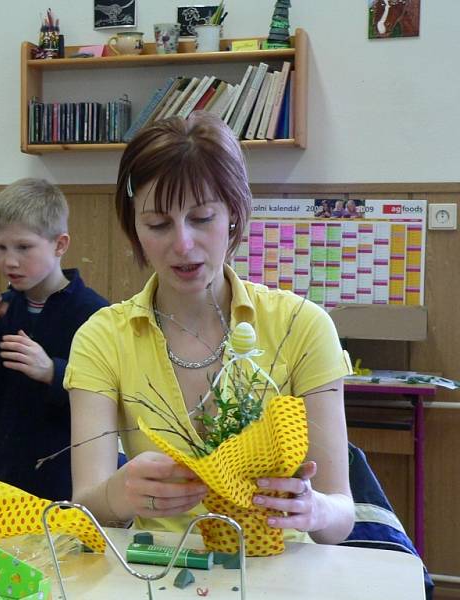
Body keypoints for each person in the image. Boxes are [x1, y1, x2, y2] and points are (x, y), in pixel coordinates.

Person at [64, 113, 355, 545]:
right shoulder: (102, 337)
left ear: (234, 215)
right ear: (134, 230)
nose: (182, 244)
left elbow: (342, 513)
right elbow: (85, 509)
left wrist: (315, 509)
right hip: (154, 575)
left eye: (201, 218)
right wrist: (118, 494)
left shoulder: (302, 325)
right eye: (158, 224)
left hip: (277, 570)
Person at [0, 178, 108, 501]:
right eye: (1, 247)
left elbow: (107, 396)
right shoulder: (3, 308)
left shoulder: (94, 313)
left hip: (61, 481)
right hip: (1, 475)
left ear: (60, 245)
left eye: (23, 247)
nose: (10, 261)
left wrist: (53, 371)